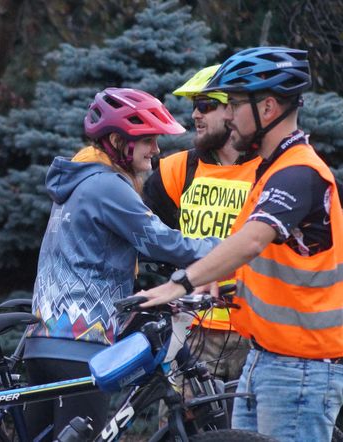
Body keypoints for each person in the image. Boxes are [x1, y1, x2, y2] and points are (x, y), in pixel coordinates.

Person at [139, 47, 343, 442]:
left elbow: (251, 240)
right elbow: (267, 254)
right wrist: (220, 279)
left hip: (300, 370)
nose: (226, 115)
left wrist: (179, 283)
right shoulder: (272, 170)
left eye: (232, 104)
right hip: (266, 358)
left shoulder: (298, 172)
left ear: (267, 108)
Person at [22, 87, 221, 438]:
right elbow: (160, 240)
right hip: (81, 344)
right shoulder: (107, 185)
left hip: (44, 341)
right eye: (148, 140)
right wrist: (230, 250)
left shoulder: (79, 180)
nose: (156, 151)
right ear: (117, 140)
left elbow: (108, 244)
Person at [144, 65, 261, 383]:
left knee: (248, 433)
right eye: (194, 105)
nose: (196, 114)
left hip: (255, 331)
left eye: (206, 105)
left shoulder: (271, 170)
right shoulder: (176, 169)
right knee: (182, 427)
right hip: (190, 326)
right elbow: (148, 241)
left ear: (233, 109)